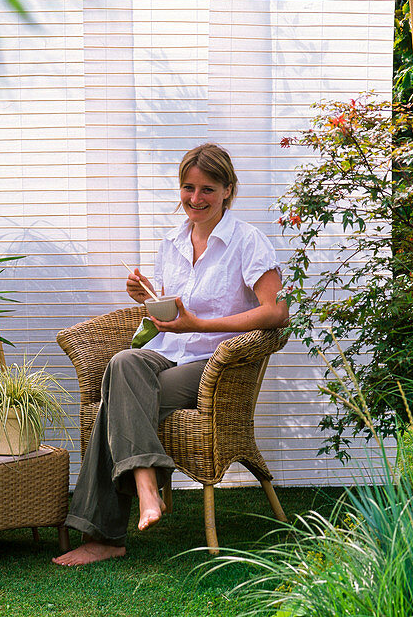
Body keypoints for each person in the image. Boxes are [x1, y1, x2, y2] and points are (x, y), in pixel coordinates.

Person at [52, 143, 290, 566]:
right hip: (167, 353)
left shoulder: (247, 241)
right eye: (188, 188)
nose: (195, 199)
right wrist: (145, 298)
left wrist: (199, 325)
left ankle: (107, 535)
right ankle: (146, 482)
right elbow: (167, 315)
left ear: (228, 190)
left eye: (207, 190)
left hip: (213, 363)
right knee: (123, 362)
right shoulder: (171, 242)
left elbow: (276, 312)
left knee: (112, 405)